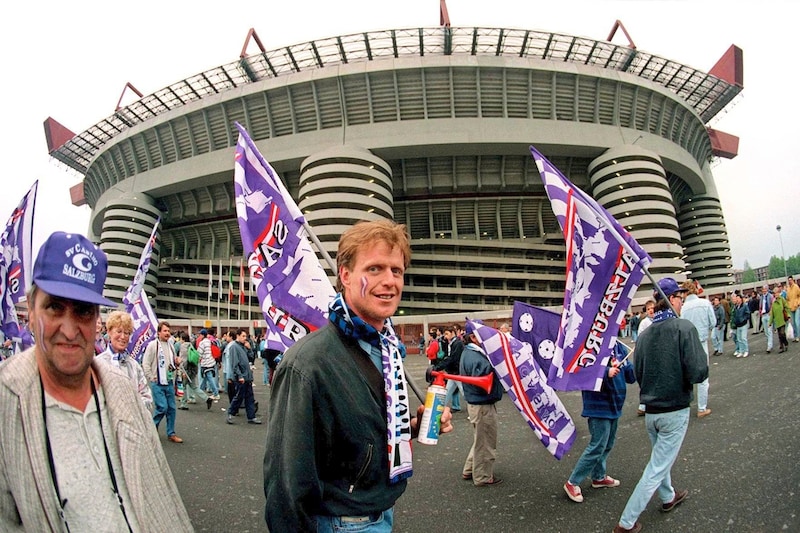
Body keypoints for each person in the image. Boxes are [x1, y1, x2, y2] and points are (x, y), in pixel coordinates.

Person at [263, 220, 452, 532]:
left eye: (397, 270)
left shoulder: (388, 349)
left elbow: (361, 433)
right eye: (375, 268)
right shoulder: (307, 363)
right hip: (340, 524)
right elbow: (286, 485)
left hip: (381, 512)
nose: (390, 281)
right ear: (346, 275)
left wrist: (412, 426)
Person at [0, 231, 192, 530]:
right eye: (54, 307)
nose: (69, 329)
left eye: (83, 311)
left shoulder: (121, 389)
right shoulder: (6, 403)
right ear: (31, 304)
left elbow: (163, 499)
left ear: (96, 318)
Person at [613, 277, 708, 533]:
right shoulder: (683, 328)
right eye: (679, 297)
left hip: (651, 412)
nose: (681, 301)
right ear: (673, 299)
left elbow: (639, 374)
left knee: (659, 461)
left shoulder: (642, 336)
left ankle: (668, 498)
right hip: (673, 410)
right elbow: (699, 371)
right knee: (655, 468)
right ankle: (626, 523)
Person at [564, 337, 636, 503]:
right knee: (597, 445)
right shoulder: (590, 346)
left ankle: (598, 476)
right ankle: (572, 482)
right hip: (598, 405)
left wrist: (628, 365)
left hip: (615, 403)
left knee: (608, 443)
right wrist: (606, 372)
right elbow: (581, 372)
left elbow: (630, 377)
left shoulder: (619, 347)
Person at [460, 319, 505, 487]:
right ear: (473, 337)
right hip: (483, 405)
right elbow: (483, 383)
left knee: (480, 439)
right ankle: (483, 476)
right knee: (486, 442)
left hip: (476, 403)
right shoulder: (477, 357)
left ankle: (470, 469)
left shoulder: (469, 353)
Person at [96, 310, 153, 411]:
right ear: (109, 332)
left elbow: (147, 397)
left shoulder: (135, 366)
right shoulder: (98, 364)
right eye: (119, 331)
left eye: (127, 333)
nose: (123, 337)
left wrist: (132, 408)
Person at [143, 321, 184, 443]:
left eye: (168, 331)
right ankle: (151, 428)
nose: (167, 333)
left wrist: (176, 361)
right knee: (162, 407)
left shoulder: (171, 345)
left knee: (171, 408)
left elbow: (172, 361)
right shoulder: (152, 345)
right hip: (157, 382)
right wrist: (151, 377)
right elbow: (146, 363)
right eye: (165, 331)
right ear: (159, 332)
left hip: (169, 381)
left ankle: (171, 433)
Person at [679, 280, 715, 418]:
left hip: (687, 344)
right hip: (702, 342)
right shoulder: (705, 303)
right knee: (703, 377)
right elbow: (713, 322)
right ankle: (701, 408)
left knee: (686, 376)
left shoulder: (682, 308)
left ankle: (684, 406)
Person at [226, 328, 261, 425]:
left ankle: (251, 416)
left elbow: (251, 358)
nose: (245, 338)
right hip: (241, 377)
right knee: (239, 397)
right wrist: (239, 376)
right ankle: (230, 413)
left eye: (245, 336)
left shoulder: (243, 346)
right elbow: (234, 364)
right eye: (243, 336)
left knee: (249, 397)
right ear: (237, 336)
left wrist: (250, 349)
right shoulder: (234, 347)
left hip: (247, 376)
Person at [177, 331, 214, 411]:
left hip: (186, 370)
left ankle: (184, 403)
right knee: (194, 386)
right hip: (193, 370)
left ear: (182, 339)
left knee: (183, 387)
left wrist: (183, 371)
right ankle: (207, 398)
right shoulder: (191, 346)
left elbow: (184, 360)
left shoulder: (183, 347)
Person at [433, 325, 464, 411]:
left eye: (447, 334)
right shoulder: (453, 343)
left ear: (453, 333)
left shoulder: (457, 343)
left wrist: (439, 367)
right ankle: (440, 408)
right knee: (448, 391)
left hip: (456, 371)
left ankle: (475, 410)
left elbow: (452, 358)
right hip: (453, 371)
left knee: (463, 392)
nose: (445, 336)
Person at [636, 300, 655, 416]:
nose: (651, 311)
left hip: (657, 354)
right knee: (646, 380)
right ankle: (643, 405)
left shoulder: (659, 321)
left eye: (653, 308)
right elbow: (640, 339)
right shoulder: (644, 323)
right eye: (648, 309)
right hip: (648, 354)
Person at [196, 328, 220, 400]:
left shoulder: (202, 343)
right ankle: (200, 390)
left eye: (200, 334)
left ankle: (215, 393)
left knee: (209, 378)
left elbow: (199, 353)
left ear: (203, 335)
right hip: (211, 361)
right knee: (206, 377)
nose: (199, 336)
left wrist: (197, 359)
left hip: (205, 363)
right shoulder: (210, 341)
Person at [770, 285, 790, 353]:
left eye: (776, 293)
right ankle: (782, 347)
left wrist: (788, 315)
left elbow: (787, 307)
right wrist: (770, 322)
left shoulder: (782, 300)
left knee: (782, 333)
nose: (775, 294)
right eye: (774, 293)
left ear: (779, 293)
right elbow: (772, 313)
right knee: (779, 335)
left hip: (782, 319)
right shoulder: (773, 302)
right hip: (777, 321)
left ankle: (786, 343)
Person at [730, 293, 750, 357]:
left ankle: (746, 350)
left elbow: (747, 313)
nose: (737, 300)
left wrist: (744, 319)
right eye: (737, 298)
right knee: (739, 339)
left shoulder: (744, 306)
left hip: (743, 324)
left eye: (738, 298)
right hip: (738, 325)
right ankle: (741, 351)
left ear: (741, 299)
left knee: (743, 338)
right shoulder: (736, 307)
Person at [758, 284, 774, 352]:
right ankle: (769, 343)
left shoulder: (770, 296)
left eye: (765, 289)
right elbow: (760, 305)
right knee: (766, 331)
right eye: (763, 290)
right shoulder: (761, 297)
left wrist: (771, 311)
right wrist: (760, 312)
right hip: (763, 314)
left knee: (769, 330)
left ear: (767, 289)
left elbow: (772, 304)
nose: (764, 291)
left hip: (768, 314)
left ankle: (769, 345)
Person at [787, 275, 800, 343]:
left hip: (796, 306)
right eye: (789, 280)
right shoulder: (788, 288)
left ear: (793, 280)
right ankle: (795, 336)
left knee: (797, 322)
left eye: (791, 280)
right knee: (793, 323)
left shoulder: (796, 287)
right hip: (791, 307)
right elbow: (788, 298)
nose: (790, 281)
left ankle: (798, 336)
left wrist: (798, 303)